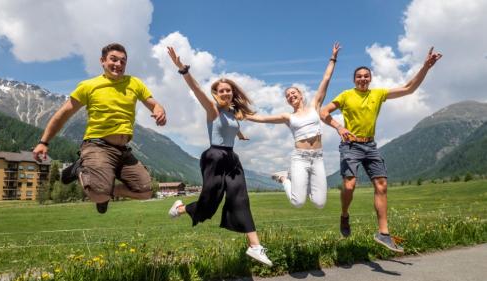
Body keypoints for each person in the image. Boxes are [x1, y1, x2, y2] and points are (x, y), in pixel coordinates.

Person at [320, 47, 442, 252]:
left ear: (370, 79)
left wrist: (425, 67)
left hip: (370, 145)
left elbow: (408, 88)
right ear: (354, 79)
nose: (362, 79)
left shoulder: (378, 94)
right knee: (349, 186)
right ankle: (344, 215)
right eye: (359, 76)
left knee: (382, 185)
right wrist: (339, 127)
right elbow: (323, 112)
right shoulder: (346, 95)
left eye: (366, 76)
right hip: (350, 144)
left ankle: (383, 233)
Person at [166, 46, 272, 267]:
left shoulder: (233, 113)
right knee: (210, 203)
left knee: (240, 198)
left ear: (233, 93)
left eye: (228, 90)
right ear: (216, 94)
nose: (225, 93)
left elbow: (231, 127)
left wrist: (240, 135)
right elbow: (196, 90)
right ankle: (181, 208)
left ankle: (254, 246)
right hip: (214, 157)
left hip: (232, 158)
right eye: (221, 90)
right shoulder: (212, 109)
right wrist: (183, 69)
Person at [32, 43, 166, 214]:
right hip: (98, 146)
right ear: (102, 61)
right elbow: (63, 114)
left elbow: (153, 104)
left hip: (122, 150)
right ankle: (81, 169)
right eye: (113, 59)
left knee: (146, 192)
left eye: (123, 61)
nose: (118, 64)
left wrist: (159, 110)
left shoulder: (135, 83)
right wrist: (44, 142)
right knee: (98, 195)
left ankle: (105, 189)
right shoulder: (89, 86)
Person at [244, 43, 340, 209]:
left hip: (317, 157)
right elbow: (262, 118)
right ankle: (284, 179)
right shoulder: (288, 116)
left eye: (293, 93)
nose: (290, 96)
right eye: (287, 96)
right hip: (300, 158)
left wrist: (333, 58)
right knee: (298, 202)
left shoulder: (315, 106)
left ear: (301, 95)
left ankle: (306, 181)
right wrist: (243, 115)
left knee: (319, 203)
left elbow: (326, 79)